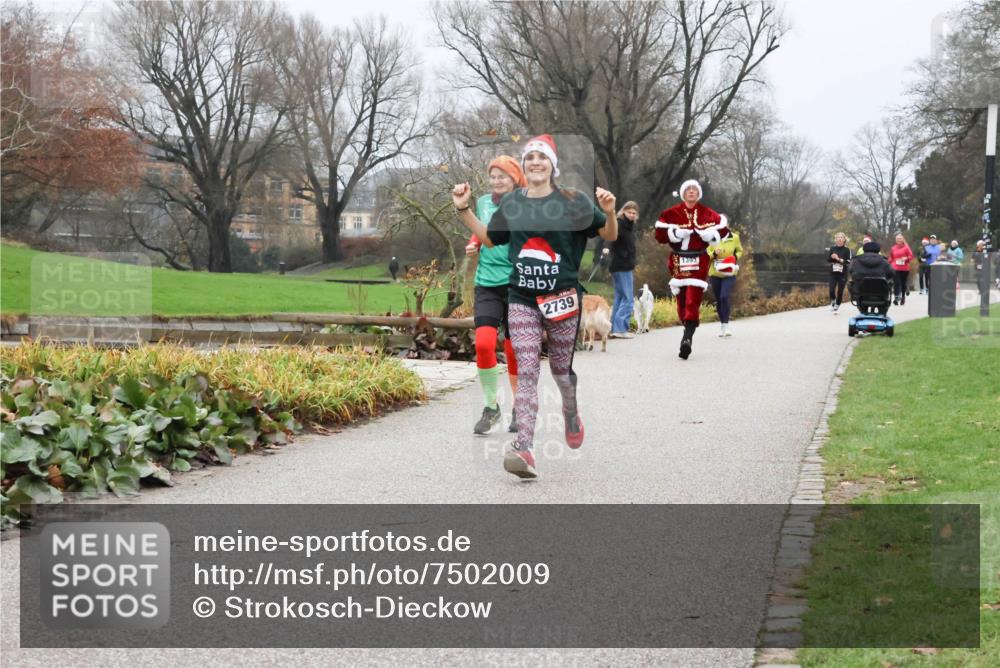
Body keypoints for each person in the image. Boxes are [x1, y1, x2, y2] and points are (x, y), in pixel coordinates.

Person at [453, 134, 618, 480]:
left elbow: (610, 235)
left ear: (552, 166)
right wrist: (463, 209)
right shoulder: (512, 204)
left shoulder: (574, 202)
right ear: (525, 167)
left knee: (560, 372)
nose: (536, 163)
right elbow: (490, 238)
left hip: (562, 300)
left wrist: (610, 212)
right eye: (530, 159)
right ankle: (523, 448)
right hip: (522, 299)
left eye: (542, 158)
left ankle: (571, 412)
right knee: (527, 371)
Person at [464, 155, 526, 435]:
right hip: (487, 282)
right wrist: (473, 242)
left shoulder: (526, 204)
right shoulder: (483, 203)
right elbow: (482, 230)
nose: (497, 180)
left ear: (515, 179)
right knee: (484, 345)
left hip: (516, 282)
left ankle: (518, 408)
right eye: (493, 176)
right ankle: (491, 408)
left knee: (514, 350)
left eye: (503, 176)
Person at [655, 179, 730, 359]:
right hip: (678, 260)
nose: (691, 192)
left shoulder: (708, 213)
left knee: (692, 299)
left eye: (694, 189)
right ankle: (687, 327)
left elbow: (724, 230)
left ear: (698, 194)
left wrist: (710, 234)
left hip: (699, 259)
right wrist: (675, 233)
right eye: (687, 189)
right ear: (683, 193)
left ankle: (687, 339)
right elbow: (659, 234)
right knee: (681, 302)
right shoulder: (671, 213)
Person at [608, 201, 639, 339]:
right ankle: (620, 328)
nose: (632, 215)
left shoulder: (628, 227)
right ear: (623, 212)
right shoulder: (620, 225)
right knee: (628, 299)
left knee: (620, 298)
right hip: (622, 265)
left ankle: (613, 328)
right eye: (629, 212)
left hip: (621, 265)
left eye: (634, 213)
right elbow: (610, 239)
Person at [707, 223, 743, 336]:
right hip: (715, 273)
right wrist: (714, 253)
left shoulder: (734, 237)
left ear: (727, 225)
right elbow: (706, 255)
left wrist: (734, 257)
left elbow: (740, 250)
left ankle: (726, 325)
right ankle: (722, 325)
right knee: (719, 300)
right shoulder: (712, 238)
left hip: (729, 272)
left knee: (724, 296)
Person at [849, 241, 894, 305]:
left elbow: (851, 271)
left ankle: (862, 309)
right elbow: (891, 273)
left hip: (860, 291)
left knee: (853, 282)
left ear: (864, 249)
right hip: (881, 292)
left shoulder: (856, 260)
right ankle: (882, 311)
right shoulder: (884, 261)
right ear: (878, 250)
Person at [826, 232, 852, 313]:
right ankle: (833, 300)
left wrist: (838, 259)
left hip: (843, 273)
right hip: (833, 272)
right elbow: (828, 260)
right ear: (835, 239)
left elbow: (848, 261)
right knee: (831, 290)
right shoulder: (832, 248)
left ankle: (837, 304)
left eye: (841, 237)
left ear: (844, 240)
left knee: (840, 291)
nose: (839, 239)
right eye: (838, 237)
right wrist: (832, 257)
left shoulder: (847, 250)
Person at [887, 233, 914, 305]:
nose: (898, 240)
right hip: (895, 267)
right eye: (897, 239)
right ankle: (896, 297)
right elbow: (891, 257)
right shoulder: (893, 248)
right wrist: (887, 262)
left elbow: (911, 256)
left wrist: (906, 258)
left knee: (903, 283)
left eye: (900, 239)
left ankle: (903, 297)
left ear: (902, 240)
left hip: (904, 268)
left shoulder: (906, 247)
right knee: (896, 282)